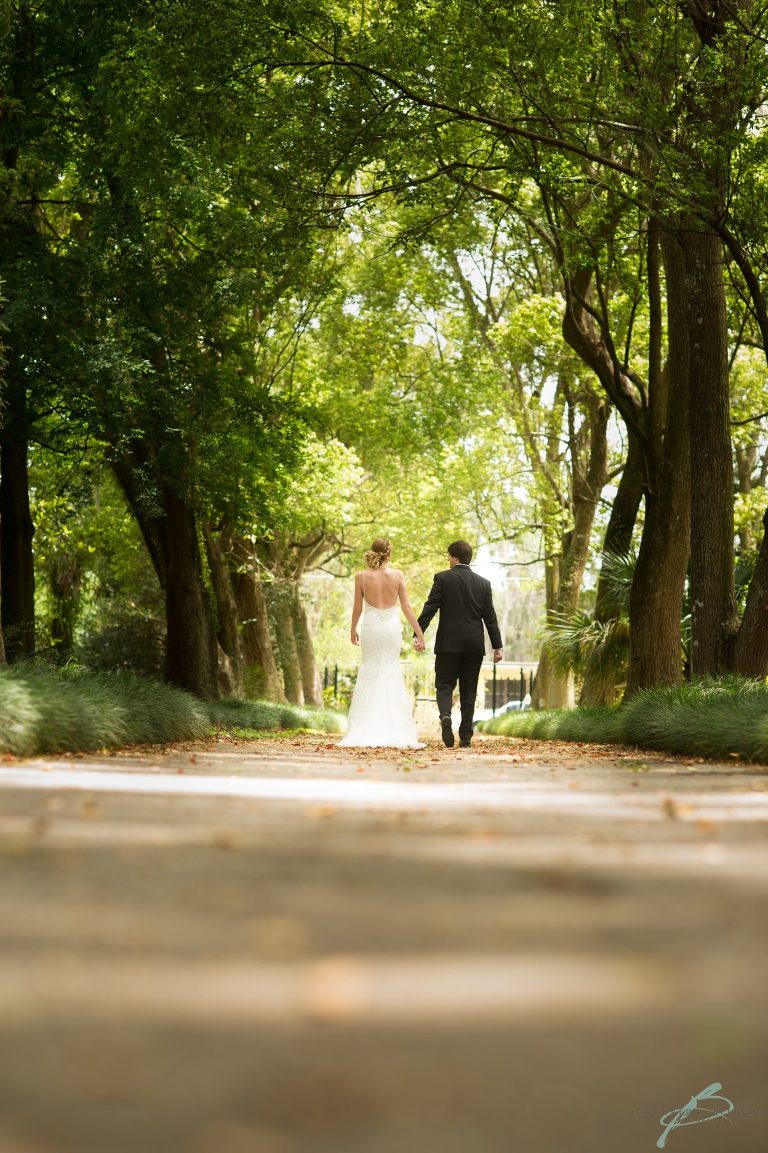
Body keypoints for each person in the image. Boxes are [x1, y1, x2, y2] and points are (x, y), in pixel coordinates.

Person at [339, 537, 426, 748]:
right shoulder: (397, 576)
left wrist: (353, 630)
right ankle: (394, 727)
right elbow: (406, 608)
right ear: (388, 554)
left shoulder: (361, 576)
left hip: (371, 627)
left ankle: (366, 726)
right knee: (390, 668)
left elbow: (357, 608)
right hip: (390, 628)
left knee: (370, 668)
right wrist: (419, 633)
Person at [417, 540, 503, 749]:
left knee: (444, 685)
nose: (448, 560)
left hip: (448, 643)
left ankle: (446, 715)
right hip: (473, 645)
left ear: (455, 556)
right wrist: (497, 646)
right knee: (469, 690)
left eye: (448, 556)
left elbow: (431, 607)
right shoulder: (483, 584)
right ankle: (465, 737)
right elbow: (490, 617)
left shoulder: (443, 578)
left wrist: (418, 633)